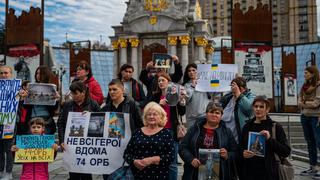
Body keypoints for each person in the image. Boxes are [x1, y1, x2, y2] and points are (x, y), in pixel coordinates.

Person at [179, 102, 237, 180]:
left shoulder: (227, 131)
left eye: (217, 113)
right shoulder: (195, 129)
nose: (214, 115)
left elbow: (235, 151)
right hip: (194, 172)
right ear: (206, 114)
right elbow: (183, 147)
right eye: (211, 112)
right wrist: (191, 159)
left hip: (219, 174)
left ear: (221, 116)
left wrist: (227, 155)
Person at [100, 79, 143, 180]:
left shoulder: (132, 105)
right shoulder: (106, 108)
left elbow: (140, 126)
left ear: (122, 90)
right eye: (110, 90)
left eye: (115, 89)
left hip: (128, 148)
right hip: (110, 150)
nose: (111, 92)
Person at [57, 81, 100, 180]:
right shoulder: (68, 105)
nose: (73, 96)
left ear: (83, 92)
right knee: (73, 172)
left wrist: (91, 115)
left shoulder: (93, 104)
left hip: (87, 144)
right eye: (72, 93)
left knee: (86, 173)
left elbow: (100, 121)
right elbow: (60, 123)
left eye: (75, 93)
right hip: (72, 143)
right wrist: (62, 141)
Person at [241, 96, 291, 180]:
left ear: (267, 110)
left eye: (261, 107)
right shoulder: (247, 126)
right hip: (250, 172)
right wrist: (243, 153)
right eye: (256, 106)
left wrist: (270, 139)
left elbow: (286, 151)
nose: (258, 109)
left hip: (269, 173)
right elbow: (240, 146)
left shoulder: (275, 127)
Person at [123, 102, 175, 179]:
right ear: (145, 117)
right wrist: (134, 161)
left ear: (161, 116)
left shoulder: (166, 133)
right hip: (138, 175)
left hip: (159, 176)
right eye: (149, 114)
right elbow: (126, 154)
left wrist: (152, 160)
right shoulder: (137, 132)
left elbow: (171, 156)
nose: (151, 116)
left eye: (155, 114)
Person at [148, 72, 185, 180]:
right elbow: (149, 110)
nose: (160, 82)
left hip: (171, 131)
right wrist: (159, 104)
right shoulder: (155, 95)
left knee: (172, 162)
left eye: (163, 80)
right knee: (156, 159)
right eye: (159, 81)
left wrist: (182, 101)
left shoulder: (175, 94)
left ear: (169, 82)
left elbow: (182, 112)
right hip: (156, 130)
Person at [219, 76, 255, 179]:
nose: (232, 89)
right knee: (228, 171)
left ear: (242, 88)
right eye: (232, 86)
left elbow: (249, 109)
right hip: (226, 140)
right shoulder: (228, 98)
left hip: (241, 140)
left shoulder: (250, 96)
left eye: (234, 87)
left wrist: (239, 94)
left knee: (242, 170)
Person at [19, 66, 60, 135]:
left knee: (44, 143)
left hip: (46, 119)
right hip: (32, 118)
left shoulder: (52, 88)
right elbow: (26, 107)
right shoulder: (31, 87)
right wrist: (24, 98)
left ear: (46, 75)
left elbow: (55, 109)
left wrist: (56, 100)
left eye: (40, 74)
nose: (38, 76)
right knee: (32, 143)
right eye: (37, 73)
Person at [298, 66, 320, 178]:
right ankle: (313, 166)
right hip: (305, 117)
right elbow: (299, 99)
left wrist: (304, 103)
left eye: (306, 73)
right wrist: (306, 102)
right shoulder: (304, 86)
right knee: (310, 142)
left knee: (319, 142)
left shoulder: (318, 86)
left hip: (316, 117)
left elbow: (317, 103)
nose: (304, 75)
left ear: (312, 74)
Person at [182, 63, 211, 129]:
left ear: (198, 71)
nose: (191, 72)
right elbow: (185, 100)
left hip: (204, 116)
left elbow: (215, 93)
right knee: (192, 137)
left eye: (193, 70)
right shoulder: (185, 85)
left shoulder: (204, 83)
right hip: (191, 118)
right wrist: (192, 86)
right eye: (189, 71)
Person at [0, 65, 14, 179]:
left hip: (10, 121)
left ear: (11, 74)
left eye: (6, 73)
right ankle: (1, 171)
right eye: (1, 73)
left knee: (9, 149)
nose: (4, 75)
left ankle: (9, 172)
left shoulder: (17, 87)